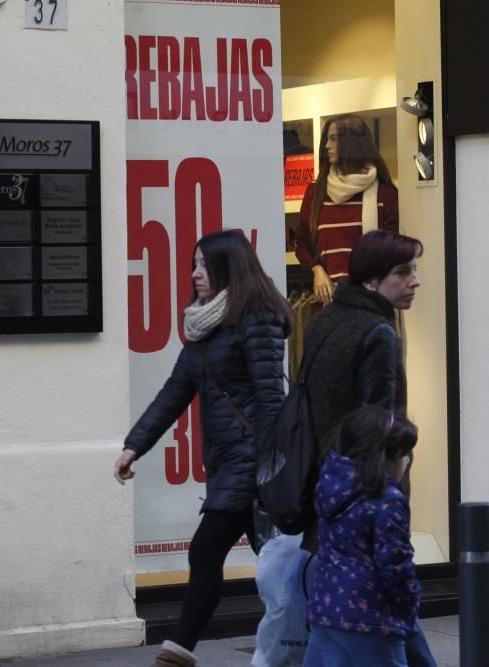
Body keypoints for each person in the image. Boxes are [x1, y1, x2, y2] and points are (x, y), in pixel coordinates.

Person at [113, 229, 293, 667]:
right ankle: (316, 638)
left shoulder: (258, 319)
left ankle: (176, 653)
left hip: (252, 461)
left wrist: (270, 469)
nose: (194, 274)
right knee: (279, 563)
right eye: (193, 265)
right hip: (230, 461)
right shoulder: (205, 324)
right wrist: (134, 446)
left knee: (207, 551)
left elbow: (271, 399)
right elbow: (175, 392)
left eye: (202, 265)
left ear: (228, 267)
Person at [300, 229, 436, 666]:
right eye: (402, 272)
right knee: (388, 617)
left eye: (414, 270)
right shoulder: (378, 332)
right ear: (371, 281)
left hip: (329, 485)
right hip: (368, 492)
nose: (414, 281)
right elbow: (381, 424)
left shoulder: (325, 320)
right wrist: (394, 482)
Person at [303, 405, 421, 666]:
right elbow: (395, 566)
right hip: (371, 618)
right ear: (389, 456)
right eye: (405, 454)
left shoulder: (331, 489)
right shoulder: (387, 500)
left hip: (326, 610)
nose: (408, 461)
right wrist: (410, 600)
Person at [294, 114, 399, 306]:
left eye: (334, 139)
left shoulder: (384, 194)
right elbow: (301, 241)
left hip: (371, 303)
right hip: (329, 304)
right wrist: (316, 270)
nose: (327, 146)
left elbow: (393, 251)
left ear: (352, 142)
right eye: (327, 139)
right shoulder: (316, 192)